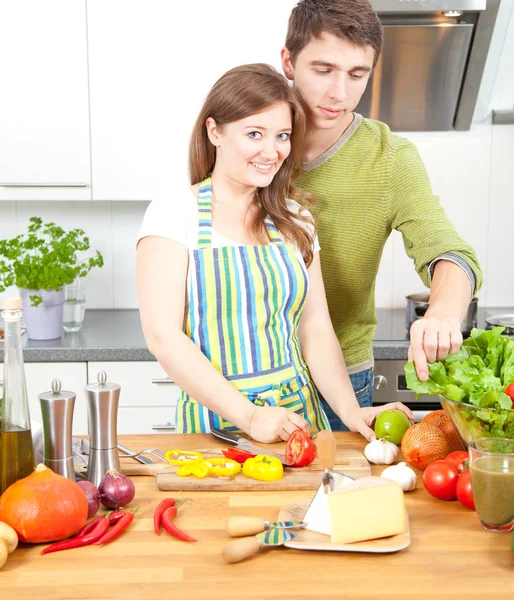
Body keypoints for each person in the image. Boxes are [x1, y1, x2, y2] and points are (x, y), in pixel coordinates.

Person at [137, 63, 413, 443]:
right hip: (216, 427)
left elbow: (314, 328)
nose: (272, 151)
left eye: (282, 135)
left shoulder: (295, 218)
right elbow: (163, 337)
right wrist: (250, 417)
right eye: (255, 134)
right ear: (214, 130)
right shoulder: (173, 213)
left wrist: (351, 411)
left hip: (299, 420)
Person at [280, 0, 483, 430]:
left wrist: (443, 313)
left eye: (357, 74)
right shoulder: (249, 142)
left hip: (342, 384)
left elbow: (449, 251)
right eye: (323, 69)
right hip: (244, 375)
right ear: (288, 62)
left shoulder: (390, 158)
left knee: (342, 498)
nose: (340, 92)